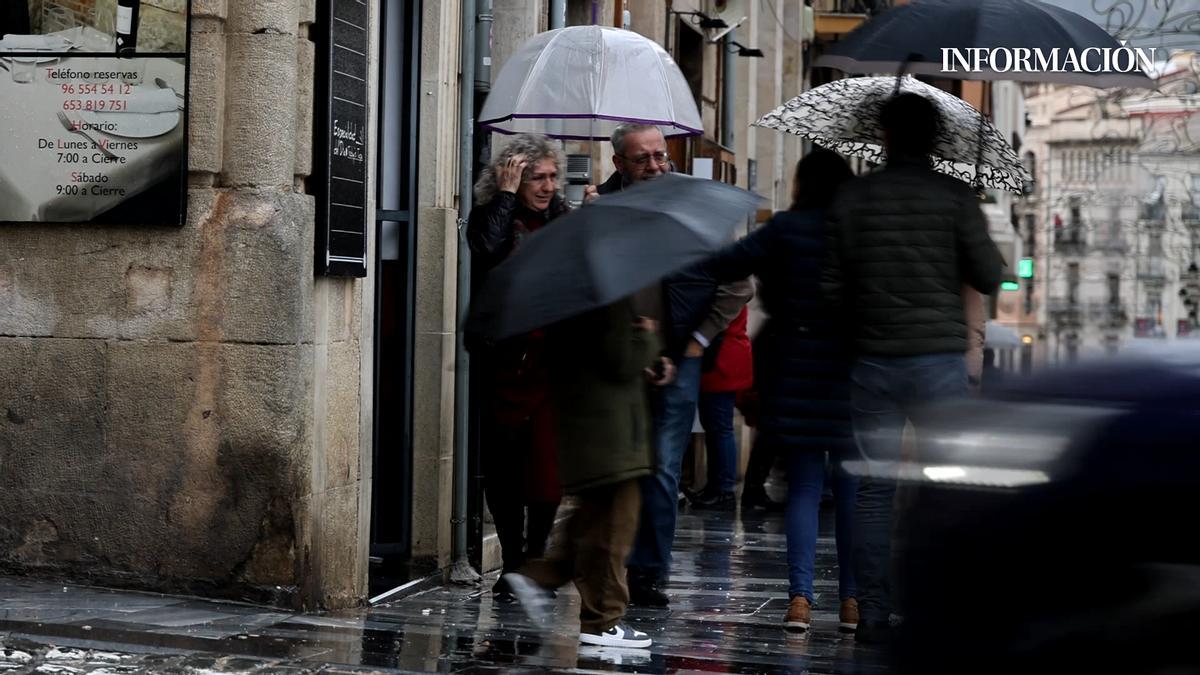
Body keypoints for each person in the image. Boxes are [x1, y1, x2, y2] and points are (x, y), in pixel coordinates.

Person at [821, 93, 1004, 644]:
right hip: (939, 365)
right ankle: (937, 604)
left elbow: (829, 288)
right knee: (943, 488)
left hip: (872, 362)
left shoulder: (854, 198)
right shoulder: (954, 197)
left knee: (874, 491)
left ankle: (872, 611)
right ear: (935, 140)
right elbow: (992, 275)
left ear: (884, 135)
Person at [589, 123, 754, 607]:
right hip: (619, 358)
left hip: (679, 358)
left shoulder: (694, 206)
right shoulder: (602, 210)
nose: (657, 166)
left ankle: (647, 570)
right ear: (619, 163)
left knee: (661, 466)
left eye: (661, 155)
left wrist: (699, 341)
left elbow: (738, 283)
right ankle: (609, 564)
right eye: (643, 159)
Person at [696, 149, 860, 633]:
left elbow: (725, 262)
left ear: (801, 184)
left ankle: (800, 602)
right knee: (850, 493)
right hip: (850, 373)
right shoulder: (859, 232)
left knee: (805, 488)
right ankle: (851, 603)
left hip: (793, 368)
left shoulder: (785, 229)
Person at [504, 300, 673, 649]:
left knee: (591, 520)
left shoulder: (572, 297)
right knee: (614, 526)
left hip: (588, 424)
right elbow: (620, 359)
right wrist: (647, 337)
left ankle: (538, 576)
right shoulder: (605, 296)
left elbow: (601, 356)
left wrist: (645, 358)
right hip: (610, 432)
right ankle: (603, 621)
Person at [467, 134, 568, 603]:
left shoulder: (565, 219)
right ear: (513, 177)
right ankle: (511, 561)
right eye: (536, 178)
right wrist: (506, 197)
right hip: (501, 361)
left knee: (546, 471)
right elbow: (485, 250)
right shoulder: (493, 215)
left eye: (552, 176)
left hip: (550, 362)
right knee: (503, 470)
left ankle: (535, 555)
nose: (547, 186)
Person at [689, 306, 753, 510]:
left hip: (722, 360)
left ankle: (723, 489)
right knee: (717, 425)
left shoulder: (730, 288)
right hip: (725, 358)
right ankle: (719, 486)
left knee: (719, 426)